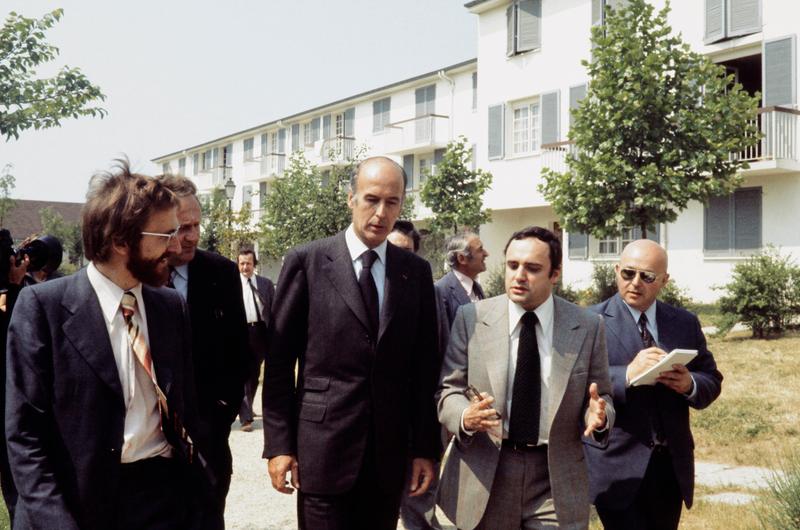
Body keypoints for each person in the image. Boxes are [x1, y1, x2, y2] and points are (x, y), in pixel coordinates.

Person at [5, 164, 204, 529]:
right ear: (120, 241)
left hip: (161, 501)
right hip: (75, 506)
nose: (176, 246)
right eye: (164, 235)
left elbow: (186, 414)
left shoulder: (170, 307)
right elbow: (25, 438)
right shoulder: (41, 309)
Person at [263, 156, 441, 530]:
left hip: (388, 457)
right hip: (323, 451)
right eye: (371, 199)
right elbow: (279, 364)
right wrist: (280, 446)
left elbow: (425, 367)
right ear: (351, 198)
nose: (380, 212)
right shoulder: (307, 262)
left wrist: (424, 448)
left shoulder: (415, 272)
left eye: (392, 202)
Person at [437, 226, 615, 530]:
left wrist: (599, 415)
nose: (519, 275)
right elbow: (448, 390)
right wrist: (466, 416)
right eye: (512, 265)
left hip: (554, 478)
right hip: (487, 472)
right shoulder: (472, 318)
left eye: (532, 268)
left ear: (555, 274)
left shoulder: (586, 326)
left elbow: (602, 397)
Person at [585, 239, 723, 530]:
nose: (635, 283)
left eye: (647, 277)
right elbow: (575, 382)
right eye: (628, 274)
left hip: (670, 467)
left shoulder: (684, 322)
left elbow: (712, 379)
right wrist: (626, 375)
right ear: (616, 270)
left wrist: (690, 384)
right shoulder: (589, 322)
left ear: (664, 281)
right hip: (617, 466)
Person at [158, 174, 249, 528]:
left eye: (196, 225)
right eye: (182, 227)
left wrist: (218, 417)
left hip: (208, 439)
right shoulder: (136, 276)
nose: (192, 235)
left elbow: (239, 354)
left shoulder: (221, 273)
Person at [236, 248, 274, 432]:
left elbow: (273, 309)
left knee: (255, 372)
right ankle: (245, 418)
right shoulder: (232, 284)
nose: (245, 267)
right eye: (242, 263)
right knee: (243, 373)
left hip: (260, 332)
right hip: (241, 331)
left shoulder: (265, 284)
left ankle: (248, 406)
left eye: (248, 263)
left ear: (254, 264)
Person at [436, 232, 489, 328]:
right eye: (480, 250)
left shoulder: (477, 288)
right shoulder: (441, 291)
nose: (486, 254)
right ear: (462, 258)